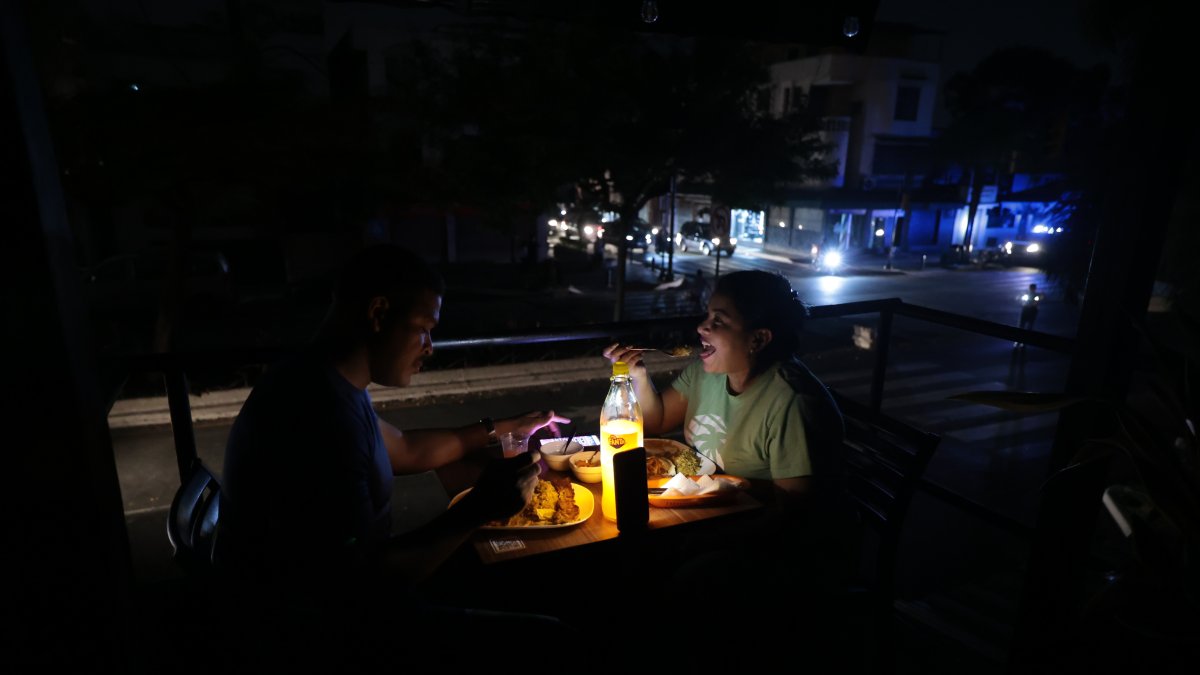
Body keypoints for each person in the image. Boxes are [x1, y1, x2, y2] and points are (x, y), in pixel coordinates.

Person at [217, 243, 572, 666]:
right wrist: (477, 508)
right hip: (324, 634)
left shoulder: (322, 381)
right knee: (552, 637)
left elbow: (404, 448)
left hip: (352, 600)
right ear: (379, 313)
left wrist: (497, 429)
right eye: (424, 327)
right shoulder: (318, 413)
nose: (430, 346)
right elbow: (358, 583)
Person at [602, 270, 856, 662]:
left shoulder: (793, 403)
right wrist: (636, 375)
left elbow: (796, 516)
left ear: (759, 338)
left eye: (719, 321)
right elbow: (654, 421)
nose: (702, 327)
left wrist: (707, 540)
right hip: (705, 513)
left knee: (667, 576)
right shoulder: (709, 375)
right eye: (706, 315)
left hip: (768, 545)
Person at [1016, 282, 1041, 347]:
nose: (1031, 289)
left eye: (1032, 288)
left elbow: (1036, 303)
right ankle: (1019, 340)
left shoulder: (1036, 296)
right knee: (1022, 325)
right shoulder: (1027, 294)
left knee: (1028, 326)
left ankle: (1023, 341)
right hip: (1026, 310)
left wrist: (1032, 304)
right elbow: (1021, 300)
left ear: (1034, 289)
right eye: (1031, 288)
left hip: (1032, 311)